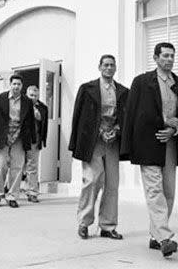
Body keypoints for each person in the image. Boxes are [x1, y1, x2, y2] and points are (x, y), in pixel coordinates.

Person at [121, 42, 178, 257]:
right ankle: (165, 237)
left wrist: (173, 131)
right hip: (148, 144)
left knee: (169, 192)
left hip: (171, 146)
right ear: (155, 58)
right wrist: (163, 123)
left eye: (172, 55)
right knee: (154, 191)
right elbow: (135, 115)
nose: (169, 59)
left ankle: (155, 236)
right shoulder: (141, 82)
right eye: (165, 55)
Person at [69, 55, 129, 240]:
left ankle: (107, 226)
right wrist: (86, 138)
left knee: (112, 185)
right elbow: (79, 118)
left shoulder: (124, 91)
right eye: (106, 65)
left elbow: (127, 118)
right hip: (93, 142)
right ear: (99, 67)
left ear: (115, 68)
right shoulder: (87, 89)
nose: (109, 68)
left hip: (113, 142)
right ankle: (84, 223)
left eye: (112, 65)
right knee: (92, 181)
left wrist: (117, 130)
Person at [0, 74, 36, 208]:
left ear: (22, 86)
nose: (16, 86)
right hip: (2, 136)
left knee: (17, 167)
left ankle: (12, 196)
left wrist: (32, 139)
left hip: (19, 137)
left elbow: (30, 122)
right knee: (1, 166)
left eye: (19, 84)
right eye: (14, 84)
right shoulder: (0, 99)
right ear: (10, 85)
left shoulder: (27, 102)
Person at [23, 85, 48, 203]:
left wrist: (38, 116)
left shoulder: (42, 107)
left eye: (36, 95)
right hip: (20, 140)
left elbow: (44, 124)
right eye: (31, 95)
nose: (34, 98)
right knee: (15, 166)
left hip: (34, 140)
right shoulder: (20, 105)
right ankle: (10, 190)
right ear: (27, 95)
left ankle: (32, 192)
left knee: (32, 167)